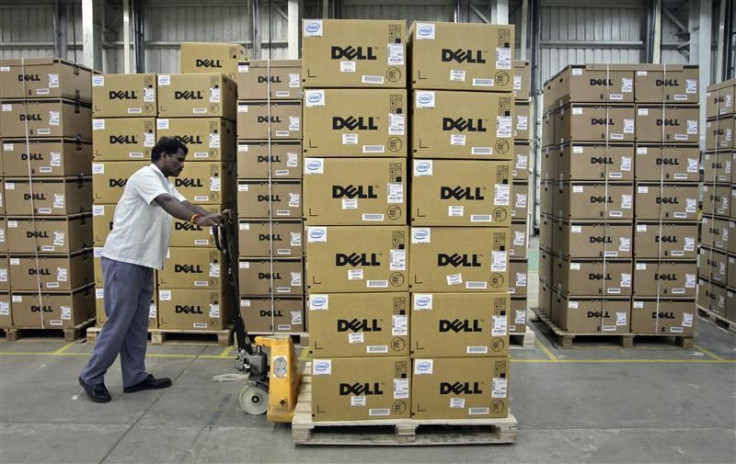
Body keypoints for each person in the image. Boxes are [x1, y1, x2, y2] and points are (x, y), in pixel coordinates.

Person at [79, 137, 233, 403]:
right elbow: (166, 202)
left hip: (143, 262)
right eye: (179, 159)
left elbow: (184, 204)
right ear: (163, 155)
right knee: (118, 323)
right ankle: (91, 376)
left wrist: (212, 216)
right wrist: (198, 220)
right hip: (124, 260)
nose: (182, 165)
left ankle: (134, 376)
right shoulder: (145, 177)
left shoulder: (164, 181)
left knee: (138, 324)